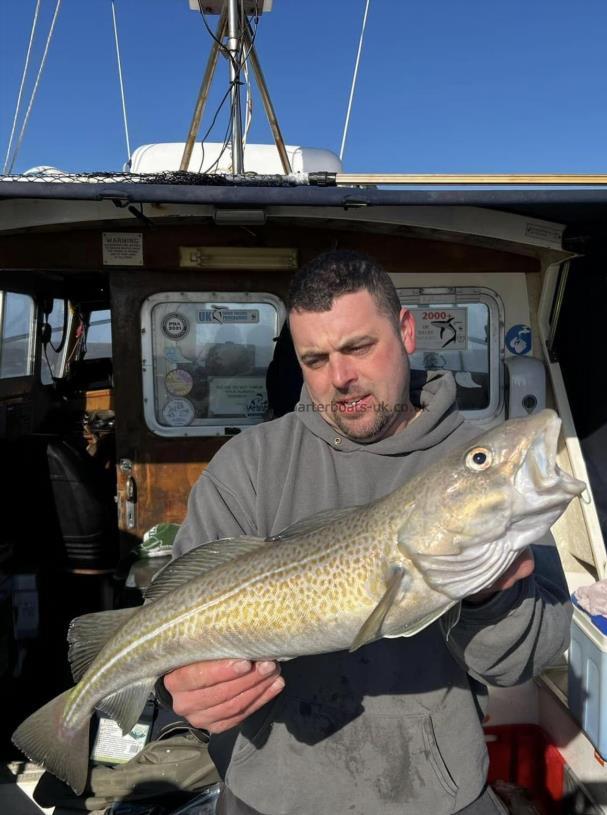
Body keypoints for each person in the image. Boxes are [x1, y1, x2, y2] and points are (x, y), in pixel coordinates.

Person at [163, 250, 571, 815]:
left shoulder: (477, 461)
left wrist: (486, 590)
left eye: (358, 347)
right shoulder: (248, 465)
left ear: (405, 330)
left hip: (437, 795)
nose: (340, 377)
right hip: (268, 795)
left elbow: (519, 664)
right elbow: (174, 620)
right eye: (315, 358)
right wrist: (181, 688)